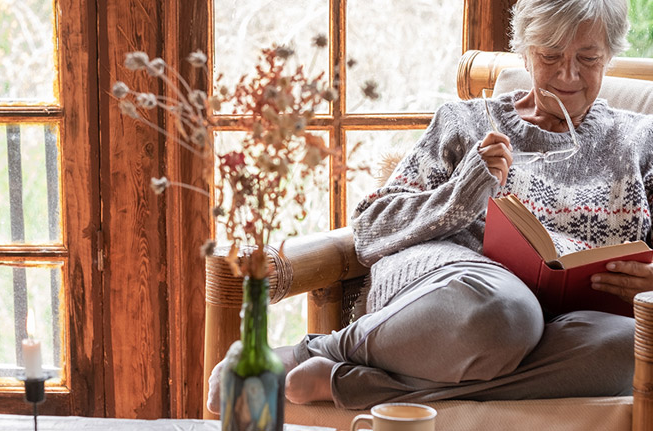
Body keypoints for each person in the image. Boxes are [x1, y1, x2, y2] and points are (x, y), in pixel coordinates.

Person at [208, 0, 653, 412]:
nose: (569, 75)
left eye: (588, 59)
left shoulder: (639, 141)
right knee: (507, 312)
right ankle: (318, 350)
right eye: (551, 56)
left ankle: (358, 383)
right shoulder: (465, 122)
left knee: (632, 346)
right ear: (524, 51)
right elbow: (370, 230)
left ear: (609, 56)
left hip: (563, 325)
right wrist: (460, 195)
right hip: (456, 296)